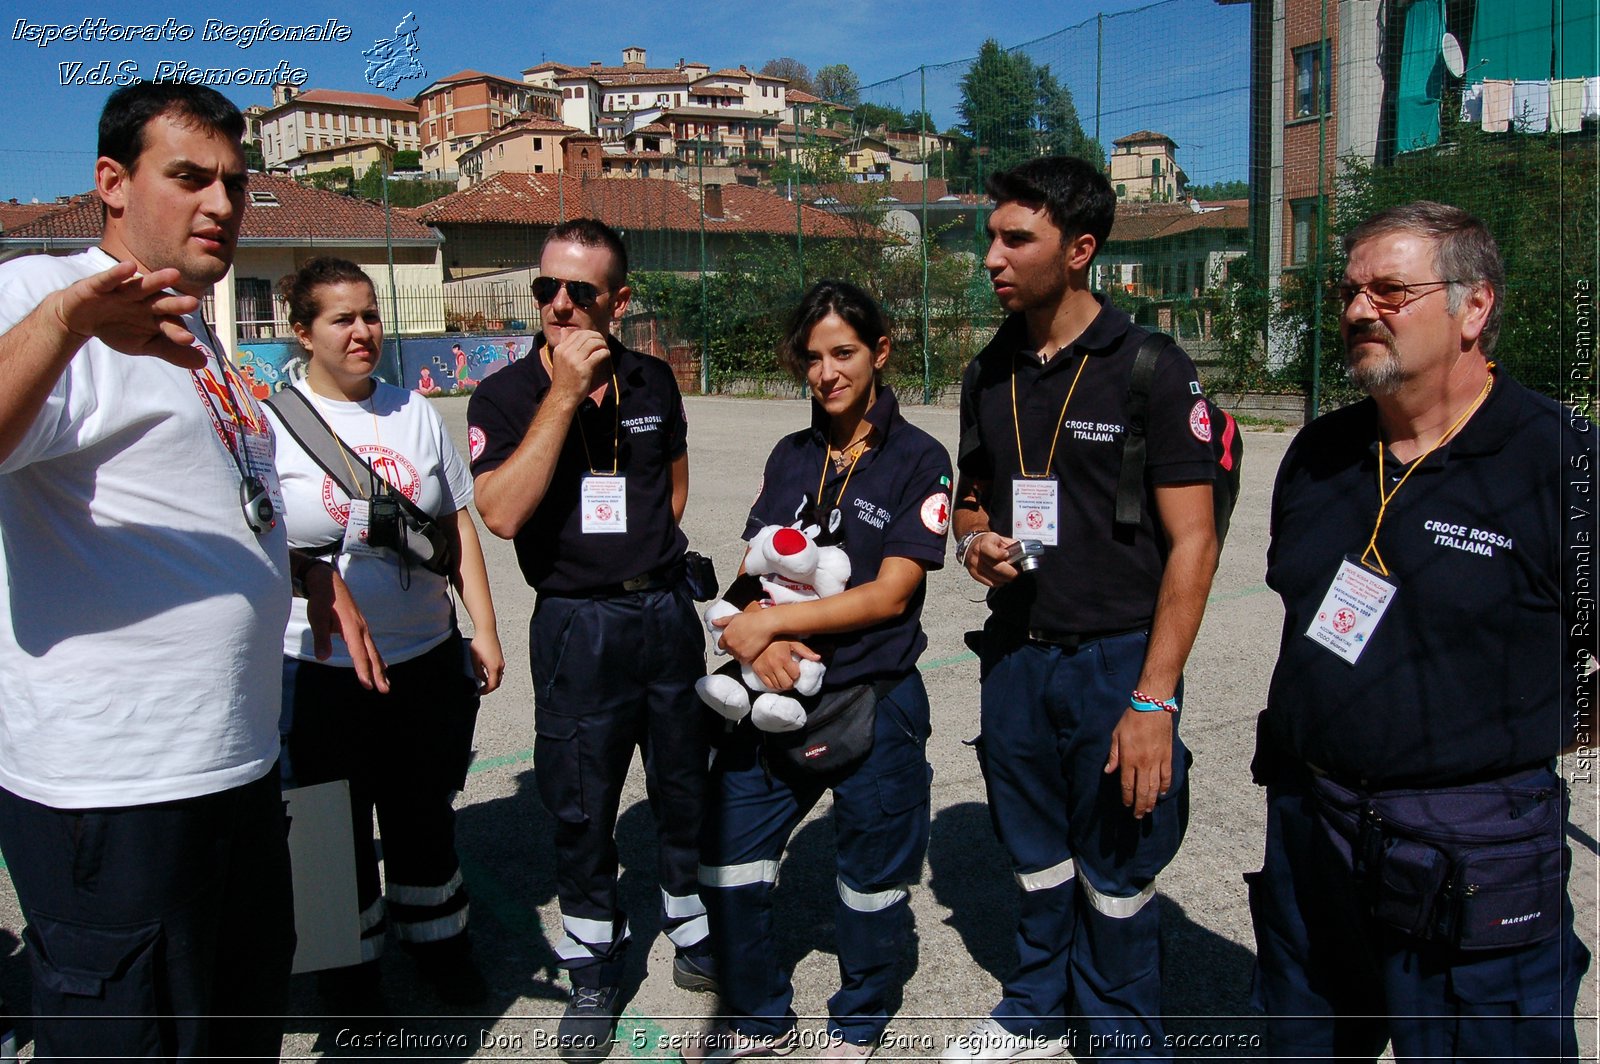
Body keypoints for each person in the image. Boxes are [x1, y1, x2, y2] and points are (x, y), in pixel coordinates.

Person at [0, 82, 383, 1059]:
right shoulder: (44, 296)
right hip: (115, 786)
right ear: (112, 183)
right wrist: (66, 323)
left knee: (236, 1018)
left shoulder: (201, 328)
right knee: (127, 1037)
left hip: (236, 767)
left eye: (236, 183)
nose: (221, 202)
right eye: (190, 177)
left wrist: (304, 570)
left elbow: (193, 499)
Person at [1249, 201, 1592, 1060]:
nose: (1361, 310)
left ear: (1474, 307)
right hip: (1311, 827)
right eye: (1350, 290)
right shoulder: (1320, 452)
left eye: (1392, 290)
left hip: (1473, 848)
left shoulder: (1561, 463)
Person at [944, 156, 1219, 1062]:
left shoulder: (1150, 368)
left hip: (1116, 658)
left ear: (1080, 250)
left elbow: (1195, 542)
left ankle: (1121, 1031)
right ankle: (1034, 1006)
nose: (992, 255)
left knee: (1120, 865)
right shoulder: (988, 372)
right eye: (992, 234)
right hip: (1018, 651)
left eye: (1016, 237)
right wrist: (976, 542)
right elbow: (974, 498)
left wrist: (1152, 699)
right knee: (1034, 851)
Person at [467, 218, 712, 1062]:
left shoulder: (652, 381)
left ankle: (690, 925)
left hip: (664, 612)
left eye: (580, 292)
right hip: (577, 624)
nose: (559, 306)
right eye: (546, 289)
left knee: (683, 784)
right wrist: (564, 395)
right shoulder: (502, 396)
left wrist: (642, 562)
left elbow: (672, 491)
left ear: (619, 300)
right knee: (580, 800)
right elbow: (499, 514)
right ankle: (594, 963)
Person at [689, 280, 952, 1063]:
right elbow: (753, 566)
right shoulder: (792, 454)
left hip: (874, 698)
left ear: (880, 352)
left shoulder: (919, 458)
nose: (827, 372)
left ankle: (859, 1019)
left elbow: (894, 589)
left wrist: (777, 621)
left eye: (843, 353)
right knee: (727, 861)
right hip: (772, 690)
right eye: (813, 358)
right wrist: (745, 633)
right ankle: (762, 1014)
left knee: (870, 880)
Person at [269, 258, 505, 1011]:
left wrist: (485, 629)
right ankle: (346, 978)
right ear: (302, 332)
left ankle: (438, 944)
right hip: (317, 666)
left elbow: (454, 525)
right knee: (324, 827)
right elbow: (254, 542)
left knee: (421, 812)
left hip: (424, 656)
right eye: (341, 318)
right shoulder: (270, 426)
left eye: (370, 314)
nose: (363, 331)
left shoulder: (414, 413)